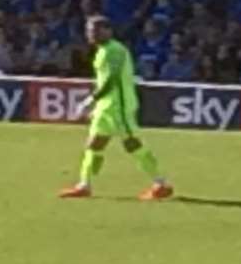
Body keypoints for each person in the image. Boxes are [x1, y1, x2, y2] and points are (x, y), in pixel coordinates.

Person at [60, 16, 173, 201]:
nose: (91, 34)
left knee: (132, 144)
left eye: (95, 30)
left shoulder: (115, 50)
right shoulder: (102, 51)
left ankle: (161, 183)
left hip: (119, 106)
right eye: (89, 31)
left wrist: (90, 100)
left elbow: (111, 80)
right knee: (94, 144)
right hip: (106, 106)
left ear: (108, 31)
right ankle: (84, 185)